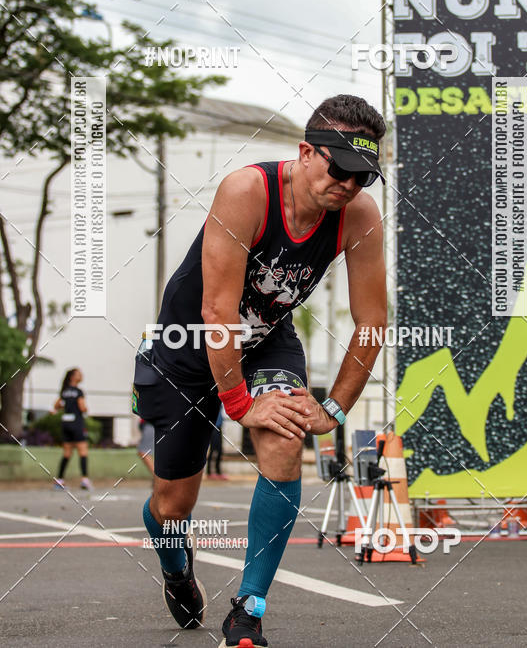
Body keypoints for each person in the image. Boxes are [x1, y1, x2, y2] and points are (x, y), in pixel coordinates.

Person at [132, 94, 387, 646]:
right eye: (339, 167)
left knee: (284, 436)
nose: (348, 185)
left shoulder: (359, 215)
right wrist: (241, 404)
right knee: (172, 503)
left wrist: (334, 407)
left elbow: (371, 320)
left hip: (268, 343)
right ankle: (176, 568)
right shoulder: (247, 190)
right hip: (188, 347)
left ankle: (248, 609)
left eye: (362, 176)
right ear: (304, 152)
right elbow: (216, 313)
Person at [53, 368, 91, 490]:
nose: (81, 375)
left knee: (67, 453)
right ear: (73, 377)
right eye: (79, 374)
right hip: (77, 423)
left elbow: (56, 405)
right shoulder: (78, 391)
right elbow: (82, 407)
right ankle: (84, 479)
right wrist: (85, 409)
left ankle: (59, 480)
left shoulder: (64, 391)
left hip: (65, 423)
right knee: (83, 451)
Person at [206, 404, 226, 480]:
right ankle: (209, 472)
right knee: (213, 449)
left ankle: (218, 472)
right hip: (213, 426)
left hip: (219, 426)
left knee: (220, 450)